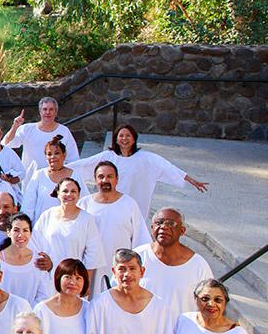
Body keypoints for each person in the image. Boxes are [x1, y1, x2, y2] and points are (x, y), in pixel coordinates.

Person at [70, 124, 209, 217]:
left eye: (128, 136)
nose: (124, 139)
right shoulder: (107, 156)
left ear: (134, 138)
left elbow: (168, 167)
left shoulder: (146, 158)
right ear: (116, 139)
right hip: (109, 205)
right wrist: (57, 170)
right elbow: (83, 165)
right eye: (121, 136)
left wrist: (191, 180)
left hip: (135, 205)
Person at [80, 162, 151, 292]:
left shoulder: (129, 204)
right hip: (90, 269)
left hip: (120, 269)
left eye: (110, 176)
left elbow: (141, 240)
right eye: (101, 176)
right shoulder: (84, 204)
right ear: (95, 179)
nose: (105, 180)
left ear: (117, 179)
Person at [134, 208, 214, 317]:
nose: (164, 227)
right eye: (159, 223)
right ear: (152, 228)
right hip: (143, 331)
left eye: (171, 223)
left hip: (181, 332)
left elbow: (210, 304)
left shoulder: (198, 265)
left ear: (182, 230)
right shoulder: (137, 257)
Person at [33, 177, 102, 283]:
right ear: (58, 193)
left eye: (73, 191)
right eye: (65, 191)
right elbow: (35, 243)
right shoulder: (47, 215)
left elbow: (93, 254)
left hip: (74, 279)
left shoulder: (87, 219)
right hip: (48, 276)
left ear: (78, 195)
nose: (69, 194)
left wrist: (86, 282)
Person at [3, 97, 80, 174]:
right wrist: (14, 127)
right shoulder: (26, 129)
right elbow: (6, 144)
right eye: (45, 109)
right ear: (40, 112)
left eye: (51, 109)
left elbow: (73, 158)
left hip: (56, 178)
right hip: (30, 179)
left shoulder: (64, 131)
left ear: (56, 112)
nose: (48, 112)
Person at [0, 214, 54, 307]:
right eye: (16, 230)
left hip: (30, 317)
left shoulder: (39, 261)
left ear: (30, 233)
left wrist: (27, 313)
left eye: (25, 230)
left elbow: (43, 295)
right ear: (8, 232)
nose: (20, 235)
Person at [20, 135, 76, 222]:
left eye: (57, 153)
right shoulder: (39, 175)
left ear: (64, 155)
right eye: (49, 154)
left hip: (68, 226)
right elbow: (28, 205)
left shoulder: (75, 175)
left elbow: (83, 202)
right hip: (42, 228)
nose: (53, 157)